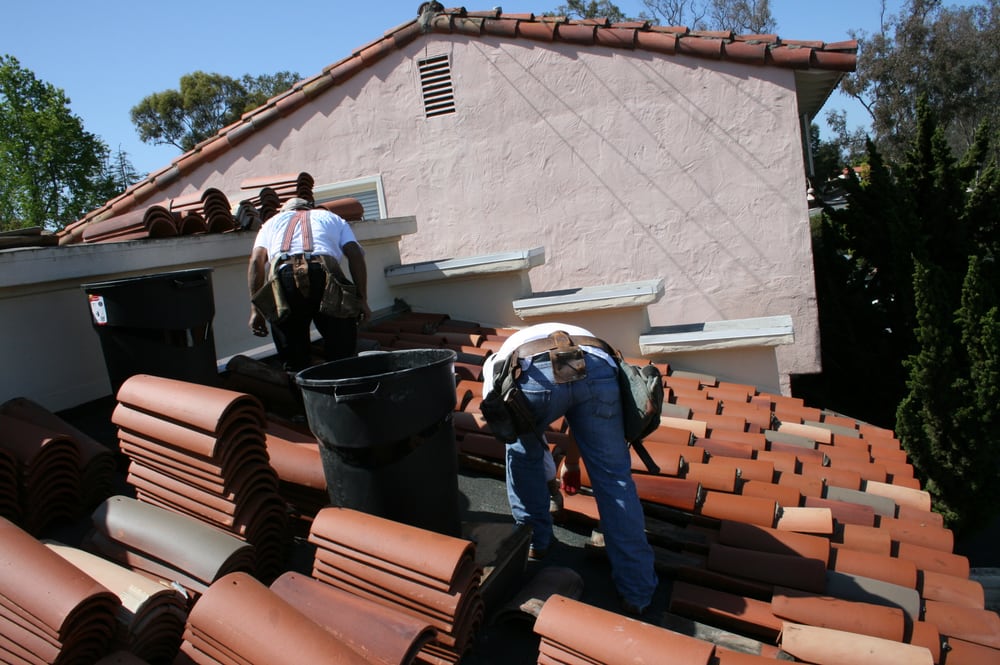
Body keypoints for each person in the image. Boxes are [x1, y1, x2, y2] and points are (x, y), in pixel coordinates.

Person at [481, 322, 658, 615]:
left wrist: (563, 469)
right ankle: (637, 592)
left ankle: (537, 540)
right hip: (598, 365)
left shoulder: (495, 371)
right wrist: (573, 463)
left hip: (532, 372)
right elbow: (579, 411)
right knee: (615, 481)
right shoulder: (564, 333)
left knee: (521, 455)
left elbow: (522, 441)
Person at [248, 197, 371, 371]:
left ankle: (302, 392)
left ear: (284, 212)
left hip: (285, 277)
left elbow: (255, 262)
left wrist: (256, 310)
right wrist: (362, 300)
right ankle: (343, 386)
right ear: (310, 208)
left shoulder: (271, 223)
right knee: (341, 351)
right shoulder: (332, 218)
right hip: (326, 274)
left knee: (294, 358)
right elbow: (354, 253)